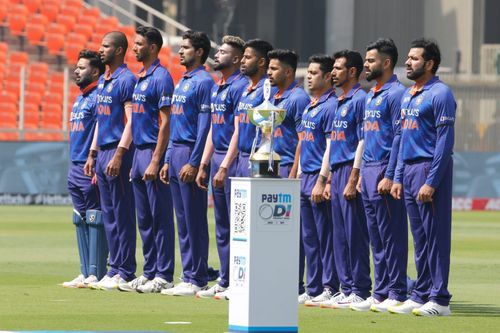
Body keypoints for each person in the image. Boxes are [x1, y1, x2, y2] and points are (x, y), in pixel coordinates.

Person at [389, 38, 455, 317]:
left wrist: (432, 181)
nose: (407, 62)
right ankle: (421, 293)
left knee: (435, 236)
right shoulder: (408, 94)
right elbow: (403, 138)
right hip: (410, 170)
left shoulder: (440, 93)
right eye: (408, 57)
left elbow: (444, 142)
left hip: (429, 168)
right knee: (419, 237)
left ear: (429, 63)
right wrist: (398, 176)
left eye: (414, 58)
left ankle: (440, 299)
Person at [350, 38, 408, 312]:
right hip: (369, 171)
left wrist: (391, 174)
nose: (366, 65)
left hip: (384, 169)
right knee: (375, 237)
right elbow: (365, 138)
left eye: (371, 60)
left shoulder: (397, 94)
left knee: (391, 236)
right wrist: (360, 173)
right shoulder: (372, 94)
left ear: (386, 63)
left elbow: (400, 136)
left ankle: (396, 291)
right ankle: (381, 292)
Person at [117, 26, 176, 294]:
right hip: (138, 152)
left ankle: (164, 274)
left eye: (139, 44)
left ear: (153, 47)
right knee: (144, 218)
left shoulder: (161, 77)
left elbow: (165, 123)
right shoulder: (141, 76)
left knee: (160, 216)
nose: (135, 48)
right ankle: (149, 270)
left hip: (152, 151)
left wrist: (156, 159)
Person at [159, 30, 215, 296]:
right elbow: (175, 124)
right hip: (177, 151)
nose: (180, 51)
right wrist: (169, 158)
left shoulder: (204, 82)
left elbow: (204, 126)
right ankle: (188, 273)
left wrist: (195, 162)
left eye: (186, 48)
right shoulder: (182, 81)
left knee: (194, 219)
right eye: (180, 47)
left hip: (191, 151)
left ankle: (198, 276)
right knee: (181, 219)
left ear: (200, 52)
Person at [316, 50, 371, 309]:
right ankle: (346, 287)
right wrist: (325, 178)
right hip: (336, 172)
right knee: (339, 235)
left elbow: (362, 140)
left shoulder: (360, 99)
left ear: (352, 71)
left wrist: (354, 176)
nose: (333, 72)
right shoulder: (340, 101)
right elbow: (331, 144)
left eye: (338, 68)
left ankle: (359, 288)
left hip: (349, 169)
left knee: (354, 234)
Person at [195, 35, 248, 299]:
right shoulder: (218, 86)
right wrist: (205, 163)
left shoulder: (240, 87)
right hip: (216, 158)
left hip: (232, 160)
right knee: (222, 225)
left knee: (237, 225)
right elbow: (213, 131)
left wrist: (225, 165)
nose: (217, 55)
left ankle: (237, 281)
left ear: (237, 59)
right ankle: (225, 280)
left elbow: (237, 132)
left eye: (224, 52)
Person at [84, 31, 137, 291]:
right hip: (103, 151)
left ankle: (125, 270)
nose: (100, 49)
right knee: (110, 214)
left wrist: (119, 153)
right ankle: (114, 267)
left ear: (118, 50)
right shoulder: (105, 79)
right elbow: (100, 121)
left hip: (118, 153)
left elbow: (132, 121)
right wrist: (93, 152)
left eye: (106, 46)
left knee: (122, 213)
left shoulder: (126, 80)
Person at [296, 55, 339, 306]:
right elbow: (304, 143)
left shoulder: (331, 105)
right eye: (308, 72)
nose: (309, 76)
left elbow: (330, 146)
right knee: (309, 238)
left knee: (325, 237)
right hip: (306, 176)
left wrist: (324, 180)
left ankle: (328, 286)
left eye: (314, 73)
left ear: (326, 77)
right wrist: (299, 172)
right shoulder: (310, 104)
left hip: (319, 177)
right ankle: (312, 287)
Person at [63, 50, 106, 289]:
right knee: (79, 219)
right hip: (75, 165)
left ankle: (96, 272)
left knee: (95, 217)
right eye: (77, 67)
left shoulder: (98, 96)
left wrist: (95, 157)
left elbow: (101, 127)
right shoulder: (80, 98)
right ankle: (84, 271)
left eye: (82, 67)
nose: (76, 71)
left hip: (90, 165)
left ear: (95, 71)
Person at [267, 49, 310, 178]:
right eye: (269, 68)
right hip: (271, 165)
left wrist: (294, 173)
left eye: (274, 69)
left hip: (288, 166)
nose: (269, 72)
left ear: (288, 72)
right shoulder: (272, 97)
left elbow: (303, 140)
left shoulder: (299, 98)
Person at [235, 39, 274, 177]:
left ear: (261, 62)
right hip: (241, 157)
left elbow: (269, 130)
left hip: (258, 158)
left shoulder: (268, 88)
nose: (242, 61)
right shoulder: (246, 89)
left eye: (248, 57)